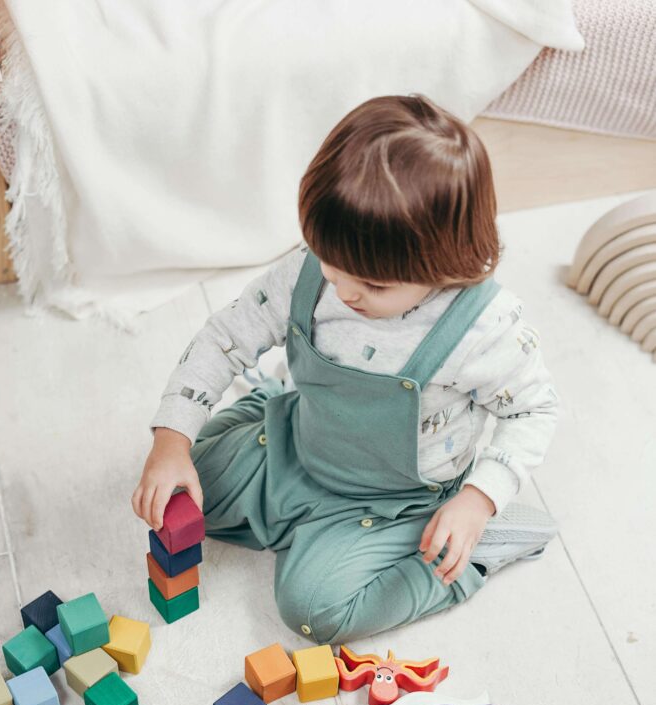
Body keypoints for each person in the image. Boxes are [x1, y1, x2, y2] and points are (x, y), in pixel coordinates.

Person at [132, 94, 559, 644]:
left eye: (373, 285)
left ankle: (481, 548)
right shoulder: (316, 267)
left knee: (314, 608)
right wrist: (170, 442)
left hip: (394, 501)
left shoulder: (482, 328)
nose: (345, 292)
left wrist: (479, 499)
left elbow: (535, 408)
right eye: (330, 268)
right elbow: (225, 335)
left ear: (444, 261)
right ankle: (267, 410)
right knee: (184, 490)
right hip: (299, 443)